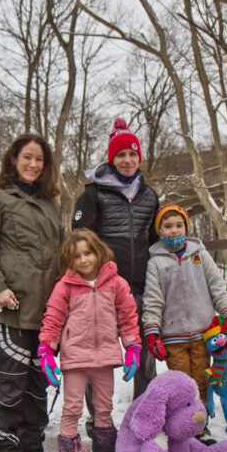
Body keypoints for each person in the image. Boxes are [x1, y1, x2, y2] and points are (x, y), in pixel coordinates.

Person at [0, 133, 63, 452]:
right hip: (10, 308)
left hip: (45, 313)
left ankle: (33, 447)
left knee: (37, 385)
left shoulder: (50, 203)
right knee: (10, 386)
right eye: (27, 157)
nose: (33, 164)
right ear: (13, 159)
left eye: (39, 159)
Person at [71, 117, 159, 430]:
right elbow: (79, 241)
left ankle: (145, 423)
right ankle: (101, 426)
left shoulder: (149, 196)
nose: (127, 160)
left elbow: (156, 242)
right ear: (112, 159)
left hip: (140, 289)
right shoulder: (93, 195)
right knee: (99, 359)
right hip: (104, 289)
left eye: (132, 154)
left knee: (146, 358)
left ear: (139, 158)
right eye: (120, 155)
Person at [37, 228, 141, 452]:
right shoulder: (66, 286)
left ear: (98, 252)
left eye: (88, 253)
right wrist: (46, 350)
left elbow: (128, 317)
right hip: (75, 357)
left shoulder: (116, 283)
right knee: (72, 408)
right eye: (76, 257)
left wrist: (133, 348)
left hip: (105, 356)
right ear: (69, 261)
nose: (83, 260)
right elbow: (53, 319)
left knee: (103, 408)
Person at [141, 204, 227, 445]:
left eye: (178, 225)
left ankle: (201, 426)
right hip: (173, 337)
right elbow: (153, 299)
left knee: (201, 380)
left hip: (203, 332)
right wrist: (152, 331)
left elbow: (216, 285)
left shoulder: (199, 255)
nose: (174, 231)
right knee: (182, 385)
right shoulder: (156, 263)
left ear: (186, 227)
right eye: (168, 226)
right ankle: (181, 428)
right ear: (160, 230)